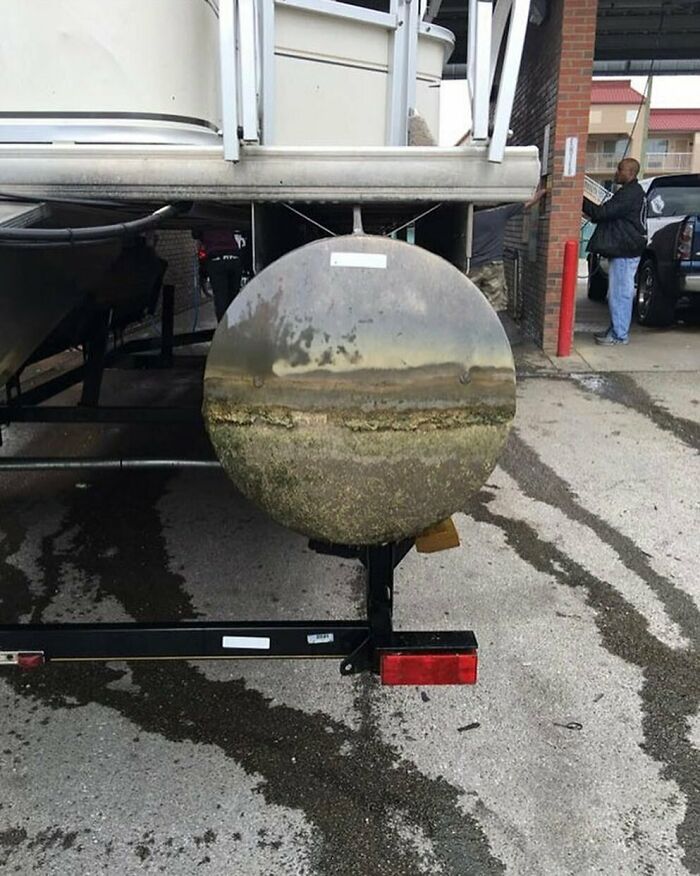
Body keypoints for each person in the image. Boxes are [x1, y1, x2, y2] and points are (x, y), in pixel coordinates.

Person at [583, 157, 647, 346]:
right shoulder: (633, 192)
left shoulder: (630, 194)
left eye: (620, 169)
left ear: (631, 173)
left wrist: (579, 198)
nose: (616, 172)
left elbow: (603, 213)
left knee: (620, 294)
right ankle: (616, 329)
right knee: (617, 292)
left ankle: (619, 335)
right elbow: (606, 215)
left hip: (625, 250)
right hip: (626, 248)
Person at [468, 186, 546, 312]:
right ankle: (492, 323)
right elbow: (529, 202)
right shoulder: (501, 212)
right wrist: (543, 190)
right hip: (494, 265)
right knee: (494, 306)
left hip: (471, 265)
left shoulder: (467, 217)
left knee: (468, 302)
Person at [197, 229, 244, 321]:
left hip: (216, 259)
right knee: (234, 297)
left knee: (221, 298)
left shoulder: (203, 222)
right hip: (234, 257)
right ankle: (235, 323)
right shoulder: (226, 221)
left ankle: (224, 326)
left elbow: (196, 234)